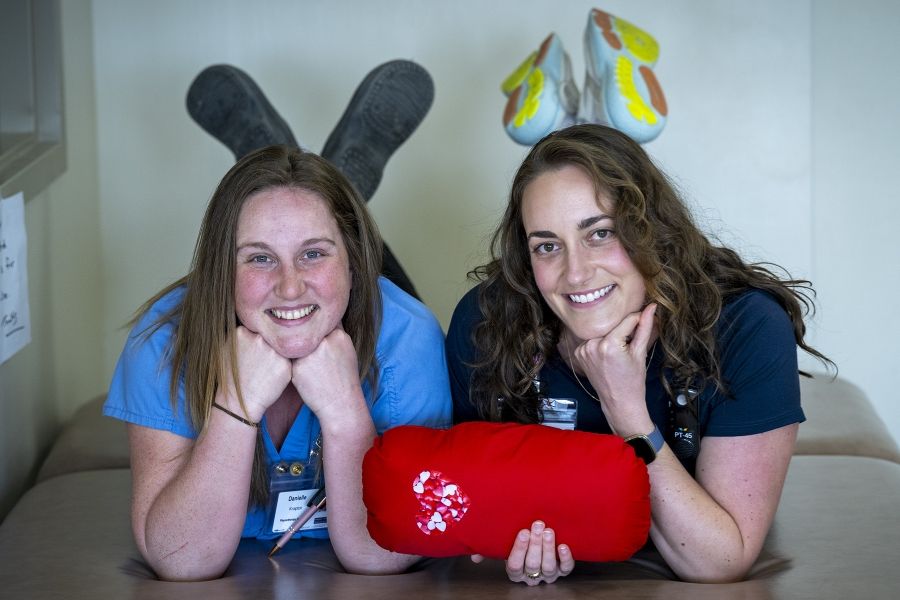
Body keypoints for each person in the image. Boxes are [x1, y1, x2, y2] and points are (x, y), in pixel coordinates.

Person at [445, 123, 833, 585]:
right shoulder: (489, 320)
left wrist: (626, 412)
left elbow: (719, 560)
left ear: (651, 231)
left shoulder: (745, 326)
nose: (576, 272)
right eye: (547, 246)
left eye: (601, 233)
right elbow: (472, 500)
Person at [104, 145, 451, 580]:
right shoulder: (162, 342)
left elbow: (383, 556)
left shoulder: (409, 337)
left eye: (313, 254)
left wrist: (344, 411)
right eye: (260, 258)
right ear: (222, 269)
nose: (290, 287)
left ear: (353, 260)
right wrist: (237, 405)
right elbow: (181, 559)